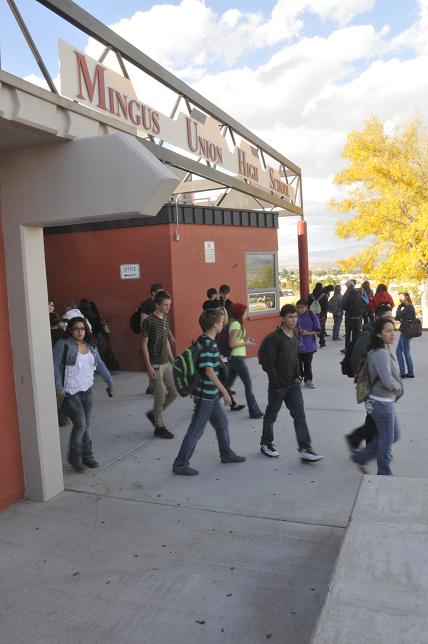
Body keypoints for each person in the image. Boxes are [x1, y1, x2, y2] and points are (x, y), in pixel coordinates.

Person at [172, 308, 246, 476]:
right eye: (221, 322)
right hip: (205, 395)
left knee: (222, 424)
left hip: (209, 395)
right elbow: (208, 371)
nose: (223, 325)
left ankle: (226, 453)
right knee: (196, 429)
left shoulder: (205, 340)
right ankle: (180, 463)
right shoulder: (208, 344)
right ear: (214, 325)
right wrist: (225, 392)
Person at [259, 304, 324, 462]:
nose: (293, 320)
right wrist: (275, 381)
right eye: (290, 317)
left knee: (299, 416)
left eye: (295, 317)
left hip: (293, 384)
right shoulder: (274, 338)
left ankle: (305, 448)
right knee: (271, 415)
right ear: (282, 318)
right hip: (278, 386)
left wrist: (298, 376)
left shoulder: (295, 334)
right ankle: (266, 443)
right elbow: (265, 360)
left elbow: (295, 357)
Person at [53, 317, 115, 472]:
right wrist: (58, 386)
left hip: (86, 390)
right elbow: (54, 365)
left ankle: (87, 456)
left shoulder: (91, 345)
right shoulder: (64, 344)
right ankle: (74, 457)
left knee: (85, 425)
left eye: (82, 328)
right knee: (80, 424)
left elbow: (99, 363)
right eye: (76, 328)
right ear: (70, 330)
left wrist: (110, 382)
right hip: (70, 391)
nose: (79, 331)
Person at [351, 317, 403, 475]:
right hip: (381, 403)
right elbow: (387, 381)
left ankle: (361, 457)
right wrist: (398, 388)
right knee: (386, 441)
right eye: (387, 331)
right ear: (379, 334)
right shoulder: (380, 353)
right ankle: (384, 474)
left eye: (393, 330)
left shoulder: (384, 349)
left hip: (385, 401)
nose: (392, 334)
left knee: (392, 437)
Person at [345, 303, 393, 451]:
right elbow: (355, 358)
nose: (390, 320)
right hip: (371, 385)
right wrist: (365, 378)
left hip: (379, 386)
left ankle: (363, 441)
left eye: (391, 317)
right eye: (387, 318)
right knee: (375, 417)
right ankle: (363, 441)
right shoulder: (368, 335)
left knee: (374, 416)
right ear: (377, 318)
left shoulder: (381, 334)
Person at [141, 289, 177, 438]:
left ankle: (155, 414)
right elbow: (143, 345)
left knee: (174, 393)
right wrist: (148, 367)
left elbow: (167, 341)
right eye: (166, 305)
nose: (169, 307)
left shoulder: (165, 319)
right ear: (157, 304)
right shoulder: (148, 321)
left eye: (169, 304)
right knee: (160, 396)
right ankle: (159, 426)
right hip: (155, 364)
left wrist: (172, 360)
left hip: (166, 363)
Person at [226, 303, 264, 419]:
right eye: (245, 312)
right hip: (237, 359)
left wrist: (246, 341)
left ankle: (205, 402)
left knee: (226, 385)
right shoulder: (236, 324)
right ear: (240, 313)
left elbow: (236, 340)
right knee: (248, 384)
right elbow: (232, 343)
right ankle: (254, 412)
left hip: (236, 358)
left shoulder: (236, 324)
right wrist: (246, 343)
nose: (246, 313)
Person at [140, 283, 176, 394]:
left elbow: (164, 326)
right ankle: (154, 388)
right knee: (155, 366)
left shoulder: (164, 311)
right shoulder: (147, 305)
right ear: (153, 293)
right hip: (151, 341)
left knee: (159, 369)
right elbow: (143, 323)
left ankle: (152, 387)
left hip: (161, 342)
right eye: (160, 292)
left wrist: (170, 336)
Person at [216, 308, 245, 412]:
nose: (223, 316)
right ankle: (231, 404)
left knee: (224, 382)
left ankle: (230, 403)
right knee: (224, 382)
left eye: (224, 313)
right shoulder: (216, 329)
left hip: (228, 359)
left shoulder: (228, 327)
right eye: (221, 314)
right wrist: (219, 359)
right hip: (220, 360)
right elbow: (215, 346)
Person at [296, 299, 320, 388]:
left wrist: (307, 333)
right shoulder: (294, 315)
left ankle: (308, 380)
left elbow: (318, 331)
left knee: (307, 364)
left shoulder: (311, 315)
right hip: (296, 346)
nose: (299, 310)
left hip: (308, 346)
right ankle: (298, 378)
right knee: (297, 364)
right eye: (298, 307)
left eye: (302, 308)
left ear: (306, 307)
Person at [395, 292, 416, 378]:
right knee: (398, 351)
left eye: (401, 297)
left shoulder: (408, 307)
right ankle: (402, 372)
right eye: (399, 297)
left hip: (406, 332)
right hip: (405, 331)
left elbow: (398, 315)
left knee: (406, 352)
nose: (400, 299)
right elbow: (398, 316)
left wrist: (399, 307)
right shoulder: (407, 307)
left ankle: (410, 373)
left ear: (406, 297)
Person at [341, 280, 364, 354]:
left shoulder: (347, 293)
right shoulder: (358, 293)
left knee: (348, 334)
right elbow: (362, 304)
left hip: (349, 317)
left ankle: (347, 349)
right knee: (356, 334)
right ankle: (355, 348)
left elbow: (343, 305)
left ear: (347, 286)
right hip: (358, 318)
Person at [308, 283, 328, 347]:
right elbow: (326, 306)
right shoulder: (324, 295)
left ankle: (312, 342)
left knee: (311, 328)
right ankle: (322, 343)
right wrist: (324, 314)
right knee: (321, 328)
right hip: (321, 314)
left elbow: (308, 305)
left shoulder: (311, 295)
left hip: (312, 314)